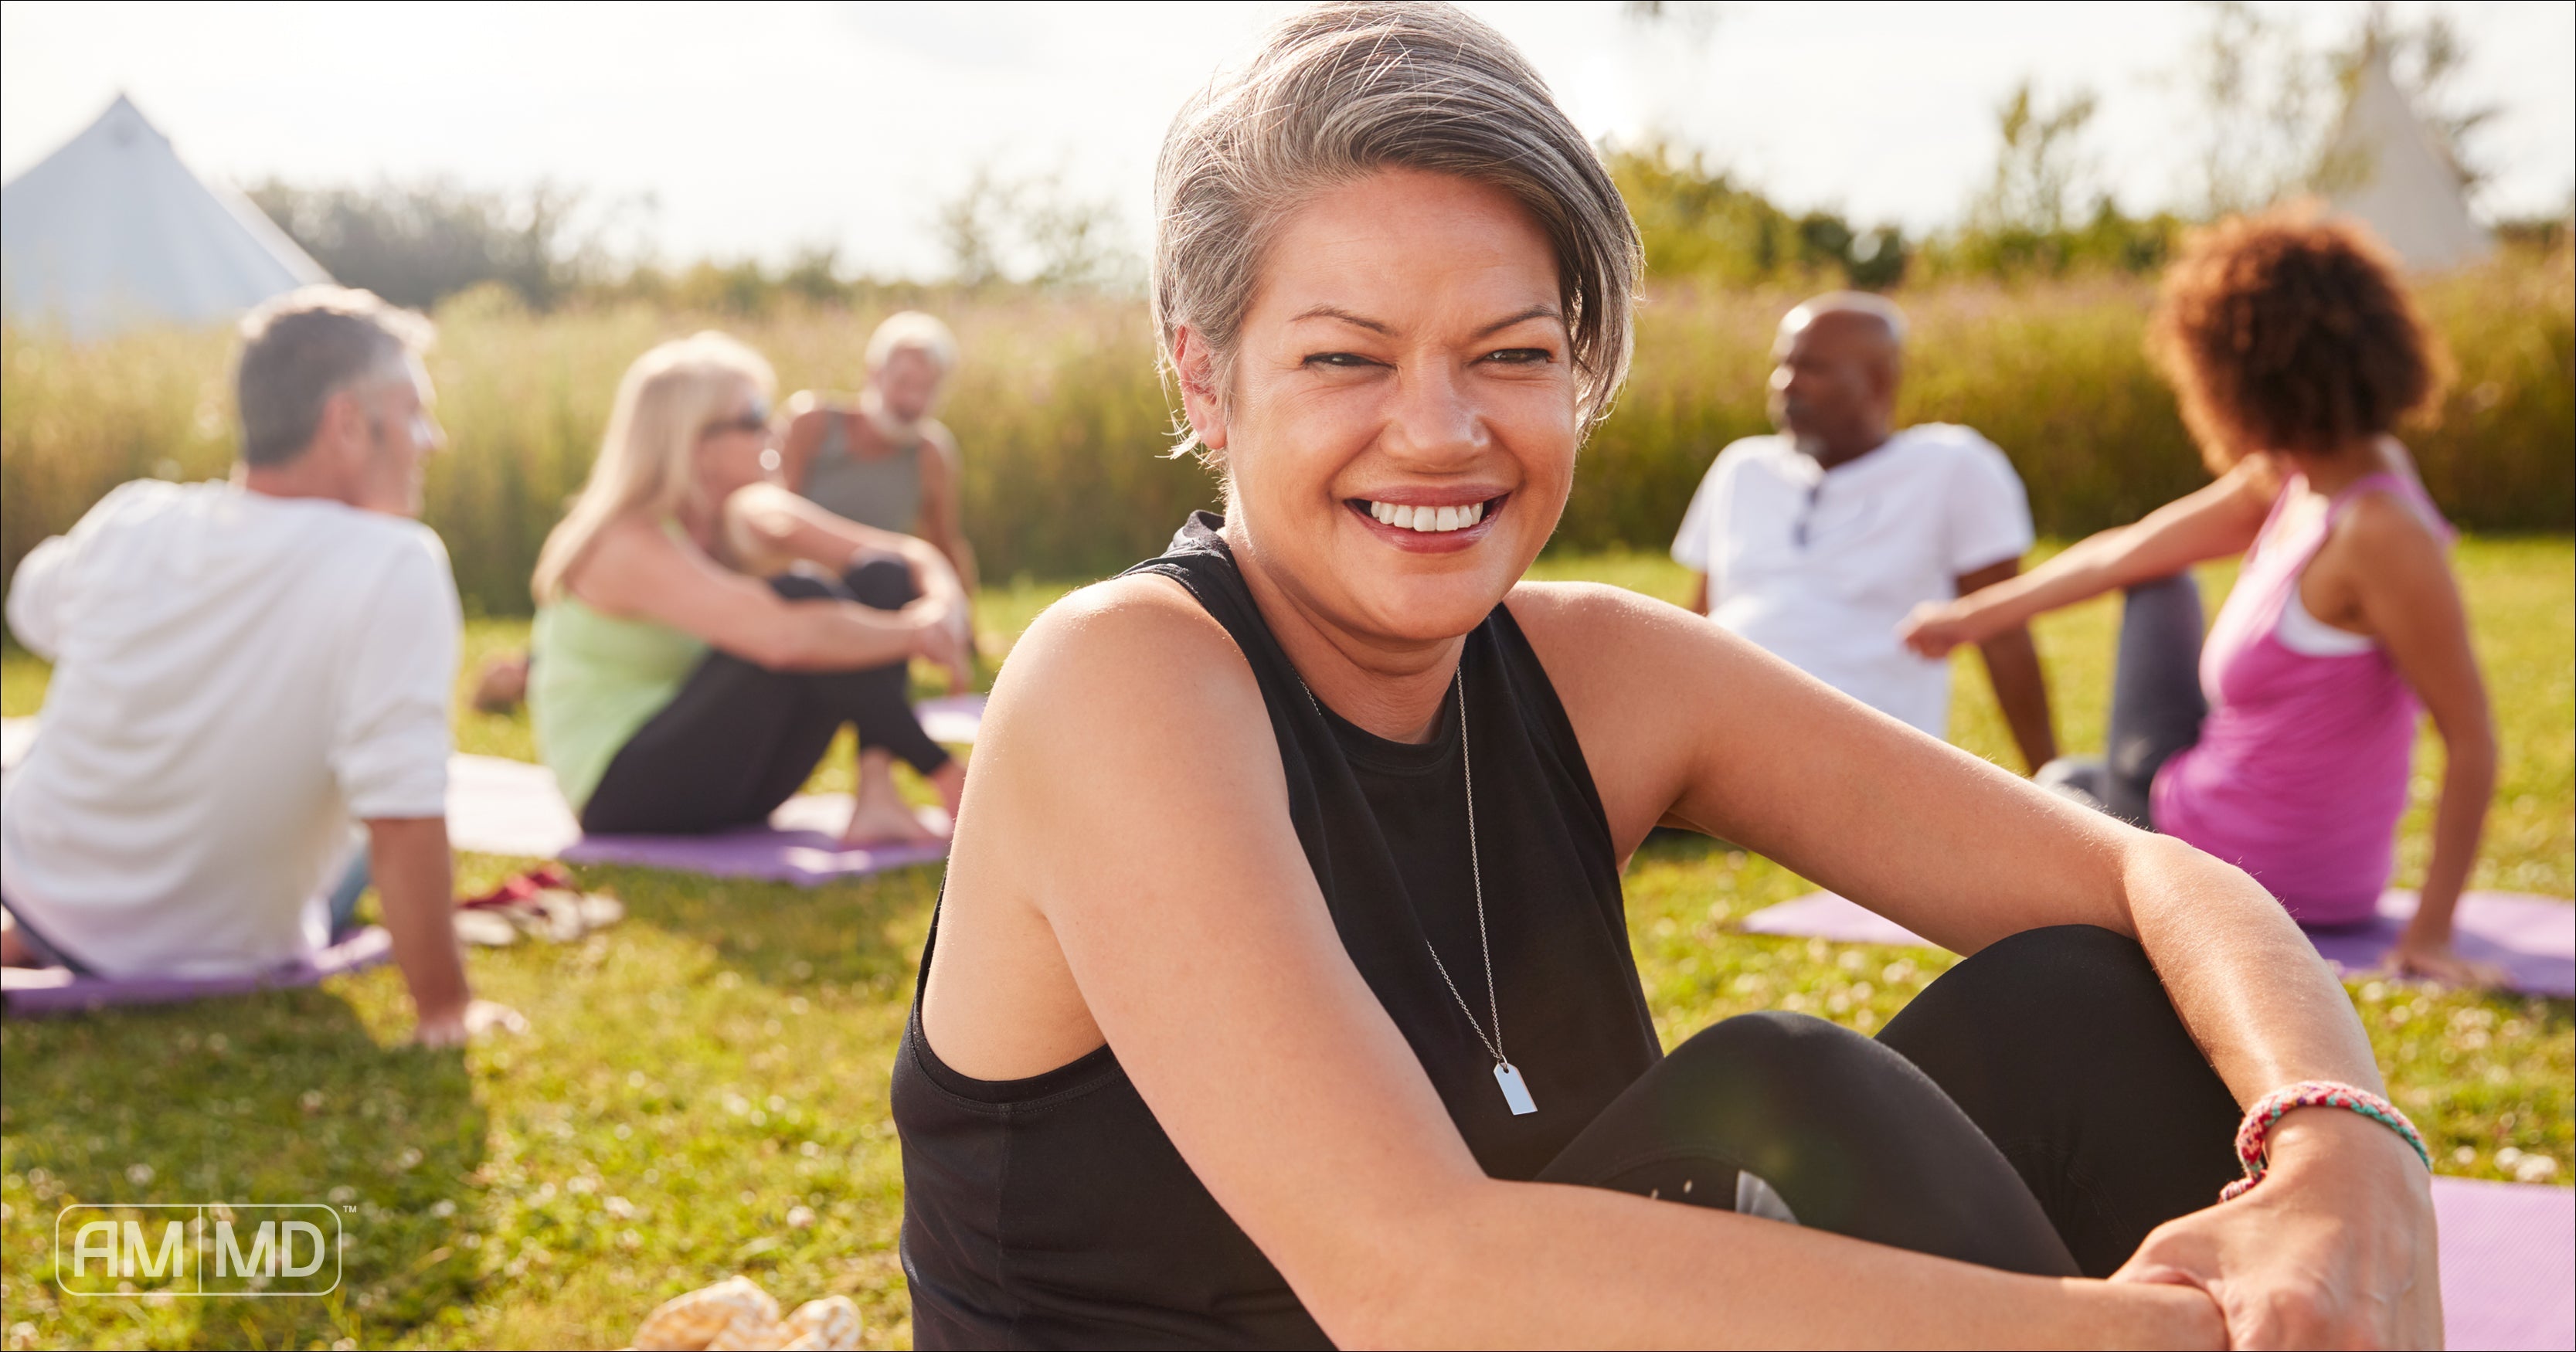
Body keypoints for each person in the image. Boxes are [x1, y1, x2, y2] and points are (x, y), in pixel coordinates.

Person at [891, 5, 2437, 1348]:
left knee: (2084, 996)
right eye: (1345, 358)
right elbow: (1408, 1276)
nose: (1436, 432)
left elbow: (2147, 879)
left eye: (1506, 353)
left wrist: (2334, 1141)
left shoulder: (1599, 669)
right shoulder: (1121, 676)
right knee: (1786, 1086)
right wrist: (2161, 1329)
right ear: (1202, 378)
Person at [1902, 208, 2501, 987]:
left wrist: (2430, 934)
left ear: (2242, 377)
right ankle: (2077, 800)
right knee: (2079, 767)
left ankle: (2075, 806)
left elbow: (2472, 738)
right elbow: (2128, 544)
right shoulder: (2313, 479)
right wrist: (1967, 619)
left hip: (2227, 857)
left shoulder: (2377, 532)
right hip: (2288, 858)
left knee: (2074, 764)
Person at [0, 286, 510, 1045]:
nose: (430, 439)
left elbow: (33, 607)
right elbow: (401, 813)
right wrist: (447, 1009)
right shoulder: (393, 562)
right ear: (346, 423)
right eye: (412, 412)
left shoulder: (136, 515)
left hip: (36, 890)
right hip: (218, 943)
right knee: (357, 848)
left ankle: (53, 926)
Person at [527, 332, 971, 848]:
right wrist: (917, 636)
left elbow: (906, 556)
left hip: (733, 784)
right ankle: (951, 780)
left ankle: (877, 796)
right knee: (800, 599)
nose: (775, 431)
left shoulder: (745, 514)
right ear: (698, 443)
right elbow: (783, 640)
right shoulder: (625, 542)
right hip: (625, 793)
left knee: (878, 577)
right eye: (755, 416)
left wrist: (942, 607)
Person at [1672, 292, 2055, 769]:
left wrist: (2050, 776)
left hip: (1855, 758)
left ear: (1878, 381)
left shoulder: (1953, 468)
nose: (1786, 384)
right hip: (1703, 740)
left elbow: (2002, 631)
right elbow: (1697, 620)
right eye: (1782, 365)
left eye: (1811, 368)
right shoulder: (1742, 467)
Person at [779, 311, 978, 606]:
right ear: (874, 373)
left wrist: (965, 626)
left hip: (877, 591)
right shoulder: (812, 423)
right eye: (904, 382)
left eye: (927, 387)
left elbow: (945, 542)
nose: (913, 401)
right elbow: (774, 517)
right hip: (801, 587)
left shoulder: (931, 453)